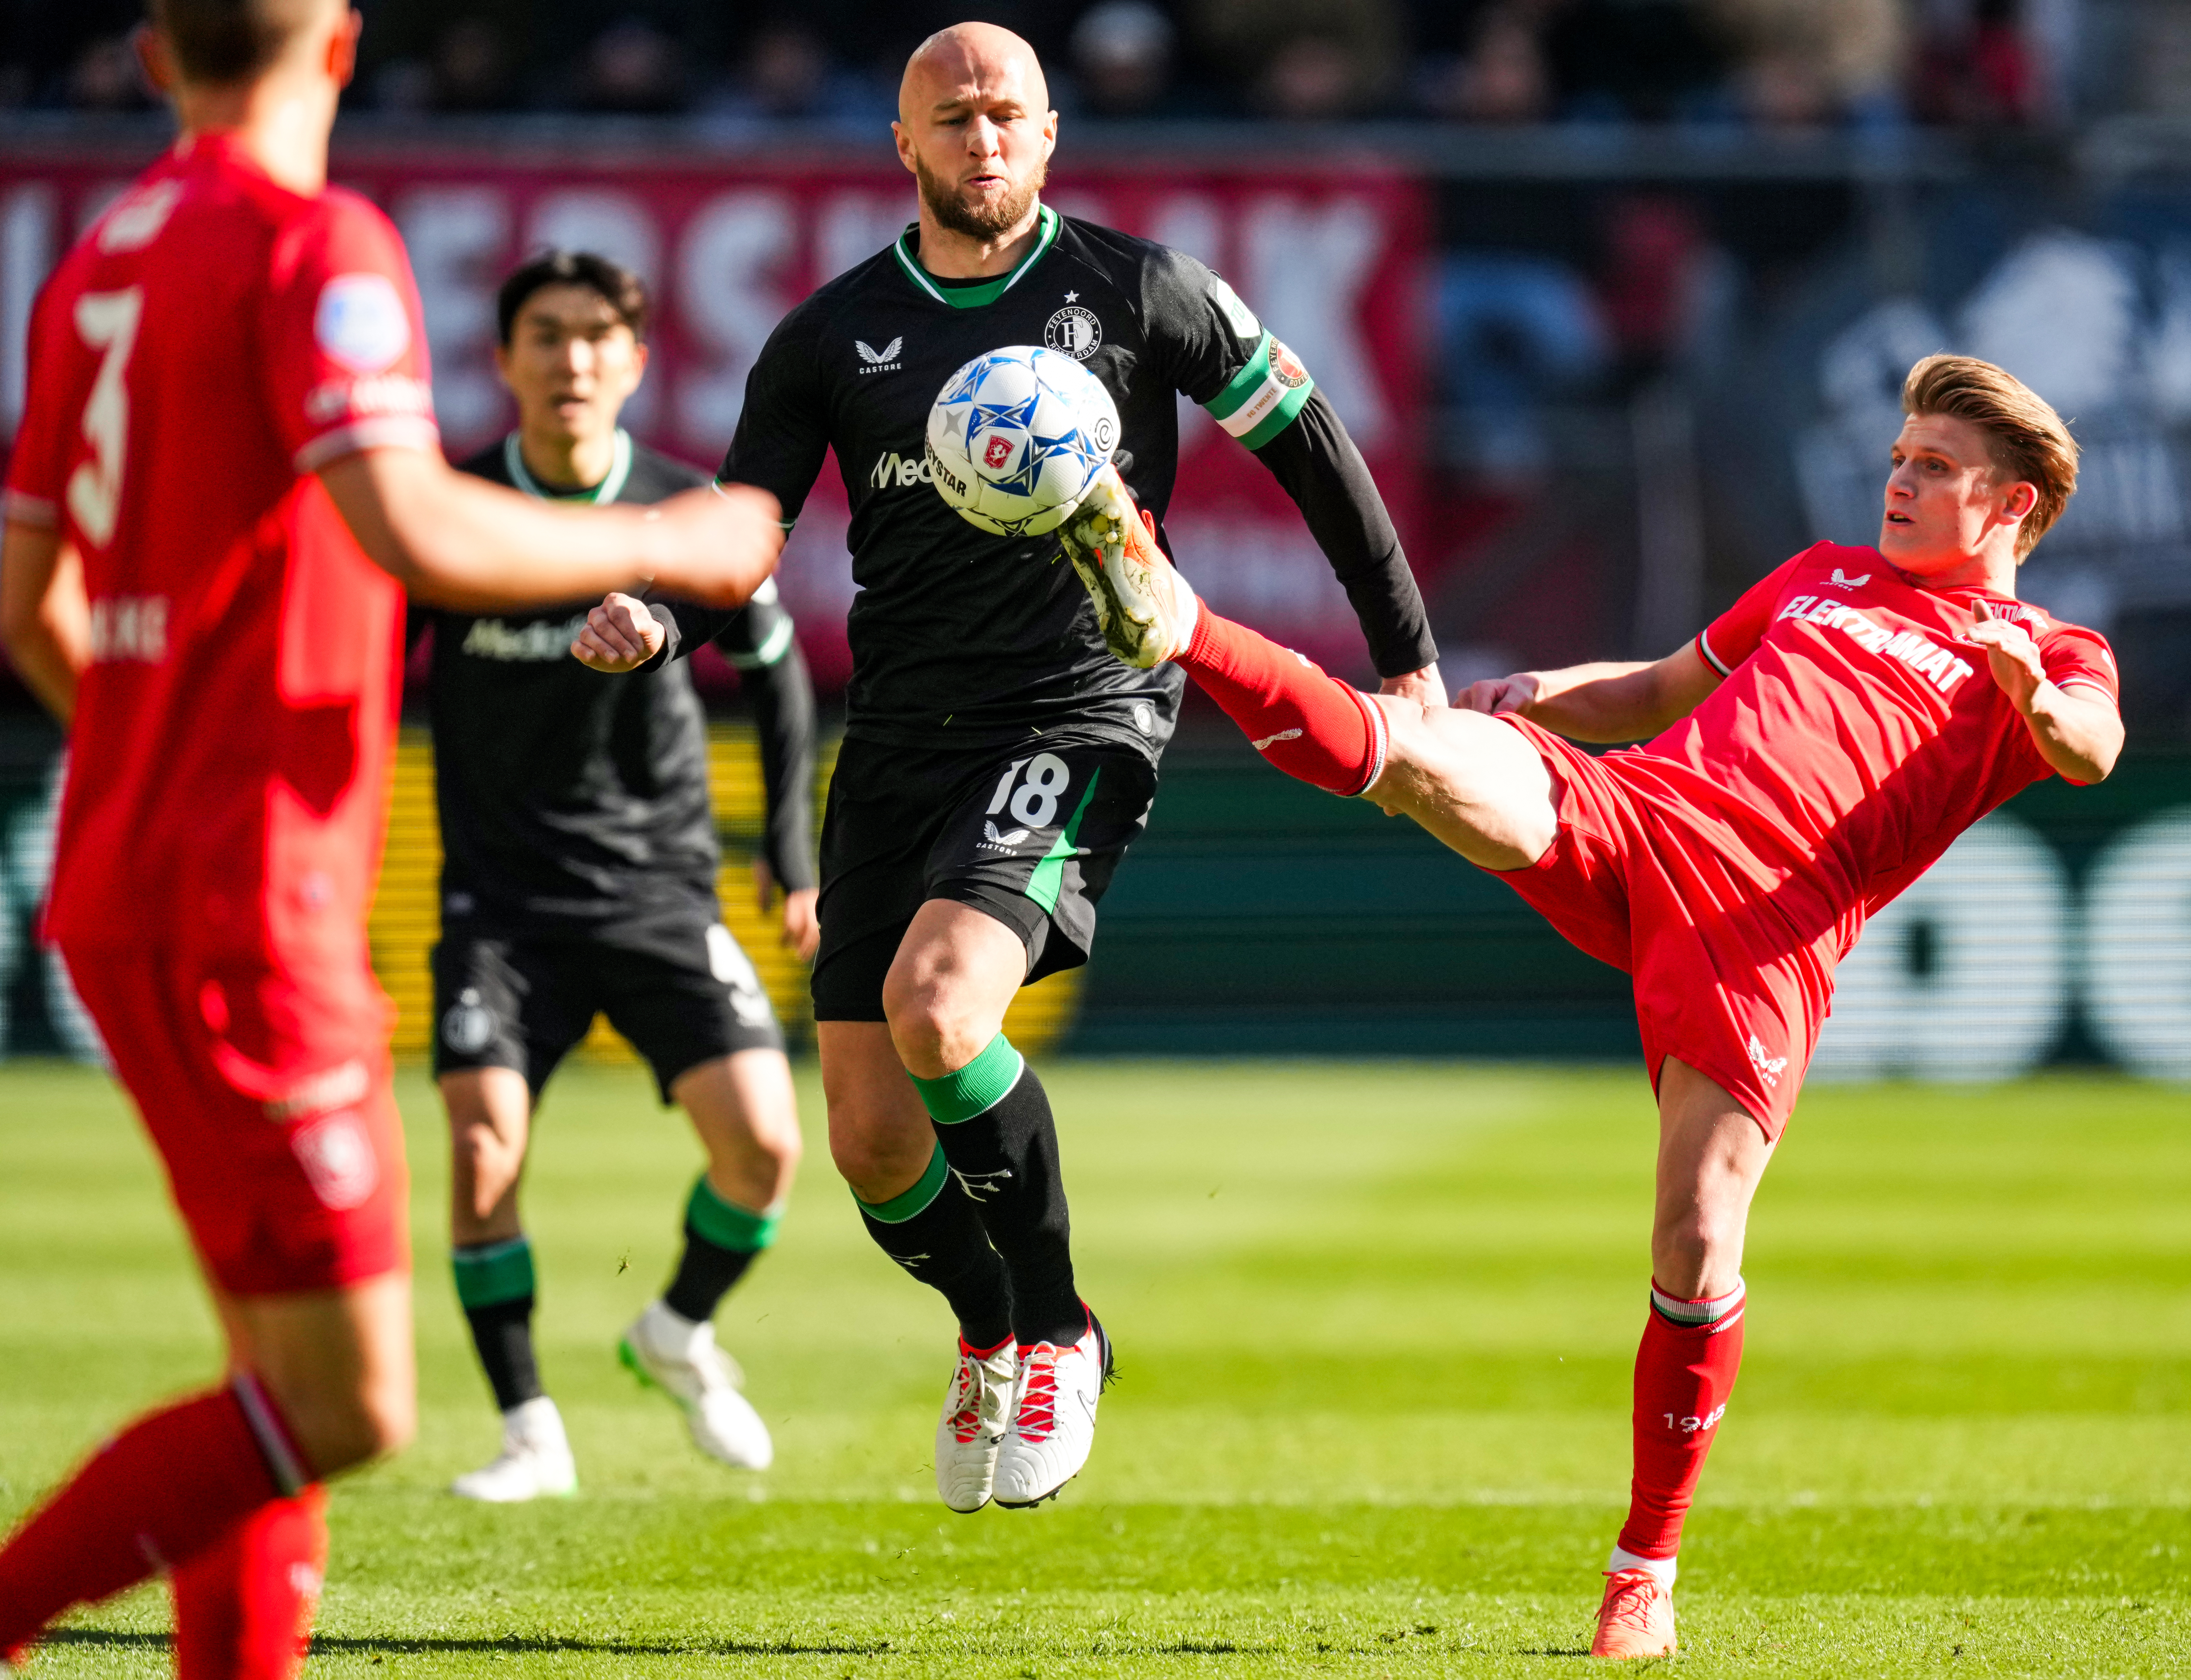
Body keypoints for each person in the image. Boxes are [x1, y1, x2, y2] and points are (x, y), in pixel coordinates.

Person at [1058, 353, 2122, 1657]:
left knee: (1691, 1244)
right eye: (1897, 457)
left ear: (2012, 505)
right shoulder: (1822, 572)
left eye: (1933, 469)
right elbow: (1671, 683)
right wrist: (1548, 693)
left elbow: (2087, 746)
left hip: (1765, 925)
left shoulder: (2049, 646)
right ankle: (1179, 620)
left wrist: (2033, 694)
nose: (1896, 481)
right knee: (1421, 762)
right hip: (1641, 812)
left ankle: (1645, 1566)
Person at [0, 0, 779, 1669]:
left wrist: (151, 747)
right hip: (244, 897)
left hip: (129, 874)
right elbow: (408, 520)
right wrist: (672, 532)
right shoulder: (314, 241)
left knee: (268, 1386)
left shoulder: (95, 262)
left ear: (154, 57)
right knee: (347, 1408)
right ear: (342, 49)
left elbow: (28, 600)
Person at [597, 18, 1441, 1515]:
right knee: (866, 1135)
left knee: (939, 1006)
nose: (980, 139)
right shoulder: (828, 335)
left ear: (1048, 136)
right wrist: (657, 617)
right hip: (898, 738)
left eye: (1006, 115)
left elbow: (1309, 442)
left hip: (1078, 710)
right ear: (903, 148)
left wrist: (1405, 658)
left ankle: (1056, 1329)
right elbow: (745, 532)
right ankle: (989, 1327)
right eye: (951, 117)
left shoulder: (1141, 290)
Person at [419, 250, 820, 1501]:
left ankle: (675, 1328)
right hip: (500, 902)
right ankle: (530, 1426)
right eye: (545, 335)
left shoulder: (680, 515)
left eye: (598, 336)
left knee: (765, 1148)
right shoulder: (449, 510)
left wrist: (793, 857)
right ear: (505, 361)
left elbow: (780, 663)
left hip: (658, 891)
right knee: (484, 1148)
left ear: (638, 362)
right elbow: (358, 663)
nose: (572, 359)